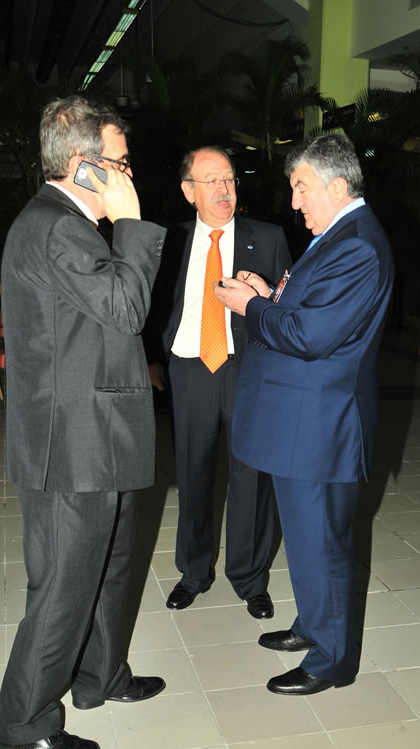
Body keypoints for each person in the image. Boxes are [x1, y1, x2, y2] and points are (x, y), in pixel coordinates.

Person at [0, 95, 167, 749]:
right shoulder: (58, 227)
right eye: (120, 163)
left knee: (110, 565)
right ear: (84, 166)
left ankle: (100, 676)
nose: (129, 174)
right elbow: (126, 308)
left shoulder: (58, 224)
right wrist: (132, 223)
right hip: (71, 446)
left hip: (98, 431)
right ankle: (22, 719)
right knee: (65, 584)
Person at [215, 133, 394, 694]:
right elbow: (310, 313)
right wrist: (269, 293)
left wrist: (251, 307)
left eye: (301, 188)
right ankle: (315, 626)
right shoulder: (337, 234)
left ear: (337, 186)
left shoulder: (359, 245)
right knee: (308, 537)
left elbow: (310, 336)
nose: (294, 202)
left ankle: (332, 660)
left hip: (321, 427)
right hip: (303, 422)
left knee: (325, 543)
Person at [146, 146, 291, 617]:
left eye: (229, 179)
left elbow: (287, 309)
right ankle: (193, 572)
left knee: (251, 475)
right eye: (211, 181)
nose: (224, 190)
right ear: (189, 191)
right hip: (190, 368)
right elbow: (151, 308)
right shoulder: (169, 242)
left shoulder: (267, 239)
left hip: (246, 369)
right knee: (192, 474)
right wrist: (153, 358)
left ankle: (249, 578)